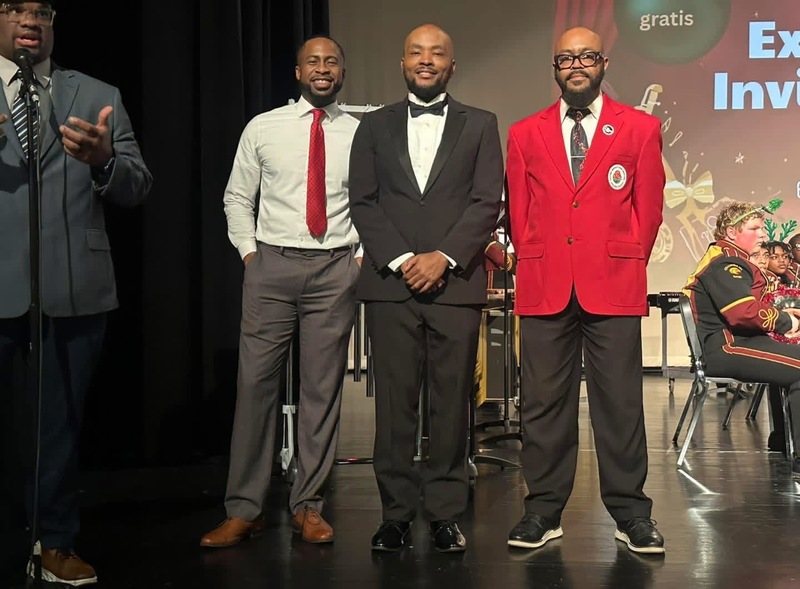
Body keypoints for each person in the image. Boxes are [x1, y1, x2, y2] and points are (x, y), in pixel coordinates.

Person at [0, 1, 153, 584]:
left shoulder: (95, 92)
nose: (28, 19)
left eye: (41, 9)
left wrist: (104, 159)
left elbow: (139, 185)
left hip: (73, 287)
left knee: (58, 427)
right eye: (14, 7)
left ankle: (55, 542)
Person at [504, 26, 666, 554]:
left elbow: (649, 209)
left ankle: (631, 514)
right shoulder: (526, 133)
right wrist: (535, 256)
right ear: (555, 68)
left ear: (603, 63)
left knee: (619, 403)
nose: (576, 64)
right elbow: (521, 211)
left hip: (613, 280)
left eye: (587, 56)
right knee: (543, 405)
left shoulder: (639, 128)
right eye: (566, 57)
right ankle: (543, 511)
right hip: (545, 280)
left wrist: (623, 259)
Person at [200, 35, 360, 549]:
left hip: (336, 267)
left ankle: (308, 506)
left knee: (321, 391)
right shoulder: (263, 127)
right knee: (255, 388)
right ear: (297, 72)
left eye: (331, 61)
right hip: (271, 265)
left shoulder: (362, 134)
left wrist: (357, 260)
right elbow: (237, 197)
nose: (322, 68)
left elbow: (371, 203)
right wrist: (251, 254)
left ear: (341, 72)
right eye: (312, 61)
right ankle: (245, 509)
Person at [348, 23, 503, 553]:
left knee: (451, 404)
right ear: (403, 62)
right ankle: (394, 514)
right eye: (417, 51)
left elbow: (486, 201)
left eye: (437, 53)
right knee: (394, 405)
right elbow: (363, 201)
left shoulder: (481, 124)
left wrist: (443, 257)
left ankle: (443, 514)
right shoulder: (372, 126)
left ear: (452, 65)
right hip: (391, 286)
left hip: (454, 285)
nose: (427, 60)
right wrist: (401, 259)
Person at [683, 201, 800, 473]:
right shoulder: (726, 262)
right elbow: (742, 313)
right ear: (732, 232)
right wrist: (785, 321)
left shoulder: (728, 258)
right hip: (728, 348)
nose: (762, 234)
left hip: (739, 343)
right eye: (754, 228)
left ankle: (783, 439)